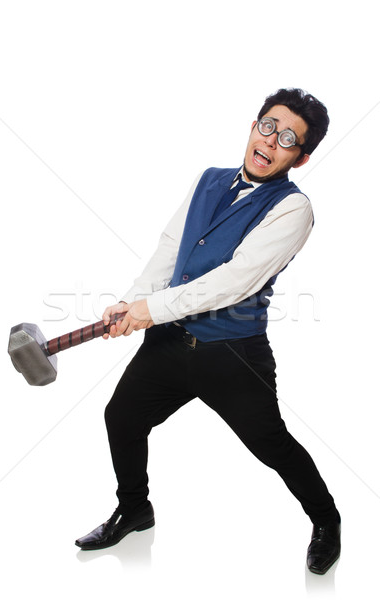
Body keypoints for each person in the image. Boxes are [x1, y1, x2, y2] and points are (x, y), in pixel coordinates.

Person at [75, 88, 341, 575]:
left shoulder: (293, 210)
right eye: (267, 126)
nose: (270, 142)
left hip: (231, 356)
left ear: (300, 158)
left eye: (287, 139)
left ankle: (327, 520)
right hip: (169, 345)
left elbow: (231, 282)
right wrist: (131, 300)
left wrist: (149, 309)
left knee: (271, 445)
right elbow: (171, 247)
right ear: (253, 125)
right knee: (122, 418)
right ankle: (135, 508)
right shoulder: (208, 179)